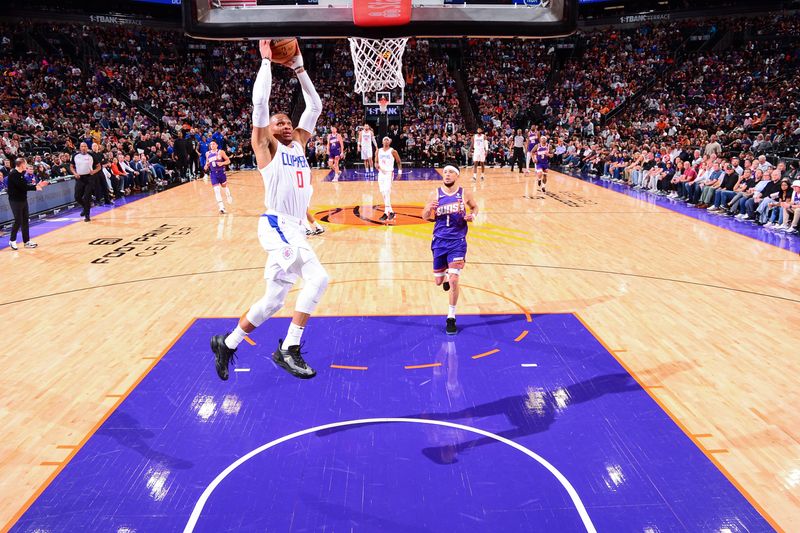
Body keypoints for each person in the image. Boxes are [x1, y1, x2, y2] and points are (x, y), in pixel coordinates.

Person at [210, 39, 327, 381]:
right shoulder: (265, 147)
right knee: (318, 278)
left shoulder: (300, 144)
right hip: (277, 224)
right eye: (278, 122)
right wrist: (265, 63)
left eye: (288, 120)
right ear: (268, 131)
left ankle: (227, 343)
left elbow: (315, 106)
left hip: (292, 227)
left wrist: (300, 68)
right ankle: (288, 348)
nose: (285, 123)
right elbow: (260, 103)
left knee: (274, 301)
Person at [422, 165, 478, 335]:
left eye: (450, 172)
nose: (446, 175)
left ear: (457, 176)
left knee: (454, 280)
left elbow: (475, 207)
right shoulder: (435, 193)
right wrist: (429, 209)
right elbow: (424, 217)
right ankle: (445, 276)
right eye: (445, 172)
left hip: (457, 242)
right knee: (439, 282)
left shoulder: (464, 193)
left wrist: (473, 215)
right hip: (439, 241)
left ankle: (451, 317)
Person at [6, 157, 49, 250]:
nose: (26, 165)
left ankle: (26, 241)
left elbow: (24, 186)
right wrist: (37, 186)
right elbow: (22, 187)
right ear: (21, 164)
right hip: (15, 201)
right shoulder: (14, 174)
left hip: (23, 200)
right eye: (25, 164)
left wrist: (36, 185)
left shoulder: (21, 173)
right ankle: (12, 240)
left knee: (25, 220)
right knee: (18, 220)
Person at [70, 142, 99, 222]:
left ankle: (87, 215)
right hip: (79, 178)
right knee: (77, 197)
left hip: (89, 178)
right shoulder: (75, 156)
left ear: (87, 147)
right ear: (80, 147)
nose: (83, 148)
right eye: (82, 146)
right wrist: (75, 173)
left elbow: (99, 166)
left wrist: (94, 171)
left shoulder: (92, 155)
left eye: (85, 146)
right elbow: (71, 166)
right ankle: (85, 207)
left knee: (87, 197)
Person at [376, 136, 402, 222]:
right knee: (383, 193)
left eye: (387, 140)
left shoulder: (393, 151)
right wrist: (376, 164)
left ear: (389, 142)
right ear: (382, 142)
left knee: (387, 192)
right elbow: (376, 161)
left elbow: (398, 161)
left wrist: (400, 172)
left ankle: (386, 212)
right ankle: (391, 212)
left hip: (389, 173)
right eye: (385, 140)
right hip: (381, 173)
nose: (386, 141)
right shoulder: (378, 151)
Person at [204, 140, 233, 214]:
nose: (212, 145)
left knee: (224, 186)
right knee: (216, 190)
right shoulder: (207, 153)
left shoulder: (221, 152)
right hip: (213, 174)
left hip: (221, 172)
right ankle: (221, 207)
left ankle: (228, 195)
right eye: (211, 144)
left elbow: (228, 161)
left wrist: (222, 163)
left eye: (213, 144)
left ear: (217, 145)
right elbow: (207, 163)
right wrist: (206, 166)